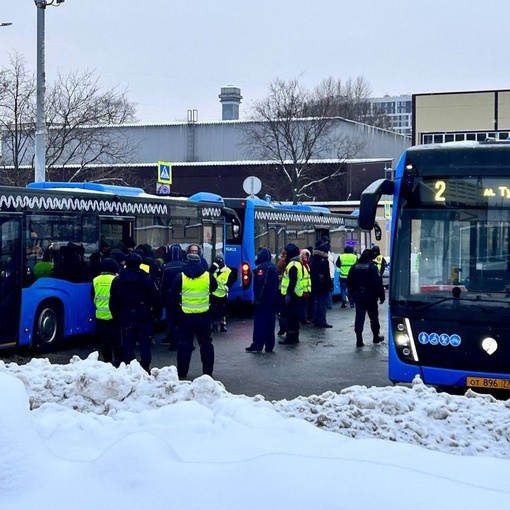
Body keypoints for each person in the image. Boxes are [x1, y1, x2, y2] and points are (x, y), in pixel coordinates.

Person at [110, 252, 161, 373]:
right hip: (143, 313)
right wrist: (156, 315)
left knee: (127, 340)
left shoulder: (118, 279)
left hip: (126, 313)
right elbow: (155, 297)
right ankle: (145, 365)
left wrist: (115, 315)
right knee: (144, 341)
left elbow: (113, 299)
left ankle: (129, 363)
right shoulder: (146, 278)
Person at [169, 252, 218, 378]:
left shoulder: (181, 277)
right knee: (206, 343)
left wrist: (176, 314)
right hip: (203, 316)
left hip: (185, 317)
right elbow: (214, 288)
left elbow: (173, 295)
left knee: (185, 344)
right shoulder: (208, 276)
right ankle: (207, 372)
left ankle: (182, 372)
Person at [347, 249, 385, 348]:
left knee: (359, 317)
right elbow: (378, 283)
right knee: (373, 318)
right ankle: (375, 336)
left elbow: (349, 282)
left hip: (358, 297)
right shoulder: (372, 267)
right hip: (371, 297)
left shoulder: (354, 267)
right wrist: (381, 296)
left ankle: (359, 339)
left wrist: (351, 294)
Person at [246, 247, 279, 353]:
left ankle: (257, 345)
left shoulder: (263, 268)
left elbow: (261, 284)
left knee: (260, 323)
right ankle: (270, 345)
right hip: (272, 300)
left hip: (263, 300)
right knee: (270, 323)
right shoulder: (273, 267)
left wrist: (257, 298)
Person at [91, 258, 122, 367]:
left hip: (100, 316)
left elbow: (92, 297)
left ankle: (107, 361)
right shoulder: (117, 279)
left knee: (104, 342)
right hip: (114, 316)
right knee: (117, 340)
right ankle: (117, 362)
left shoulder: (96, 280)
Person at [160, 244, 187, 350]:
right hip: (183, 296)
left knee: (171, 320)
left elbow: (162, 284)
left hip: (169, 297)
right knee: (182, 320)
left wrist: (162, 298)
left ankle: (172, 340)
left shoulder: (166, 267)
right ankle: (182, 340)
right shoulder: (184, 266)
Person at [279, 243, 304, 345]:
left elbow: (292, 280)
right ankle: (295, 337)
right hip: (297, 294)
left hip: (292, 295)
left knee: (291, 318)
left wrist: (288, 294)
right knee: (295, 317)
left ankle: (290, 338)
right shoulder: (298, 263)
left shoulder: (292, 265)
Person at [210, 252, 236, 333]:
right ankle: (214, 325)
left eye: (220, 260)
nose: (219, 262)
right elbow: (208, 275)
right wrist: (214, 266)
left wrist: (227, 287)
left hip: (223, 294)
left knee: (223, 310)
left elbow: (231, 280)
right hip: (214, 294)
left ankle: (222, 325)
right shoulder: (213, 270)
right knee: (214, 310)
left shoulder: (228, 271)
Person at [310, 243, 333, 328]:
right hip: (323, 286)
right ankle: (322, 321)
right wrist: (330, 285)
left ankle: (316, 320)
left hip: (315, 285)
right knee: (322, 303)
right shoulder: (324, 261)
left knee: (316, 302)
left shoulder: (314, 259)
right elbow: (327, 275)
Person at [299, 248, 312, 325]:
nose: (306, 257)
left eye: (307, 256)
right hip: (301, 288)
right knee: (302, 305)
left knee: (305, 305)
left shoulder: (307, 265)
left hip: (306, 288)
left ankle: (304, 318)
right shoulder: (301, 264)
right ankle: (302, 318)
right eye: (304, 256)